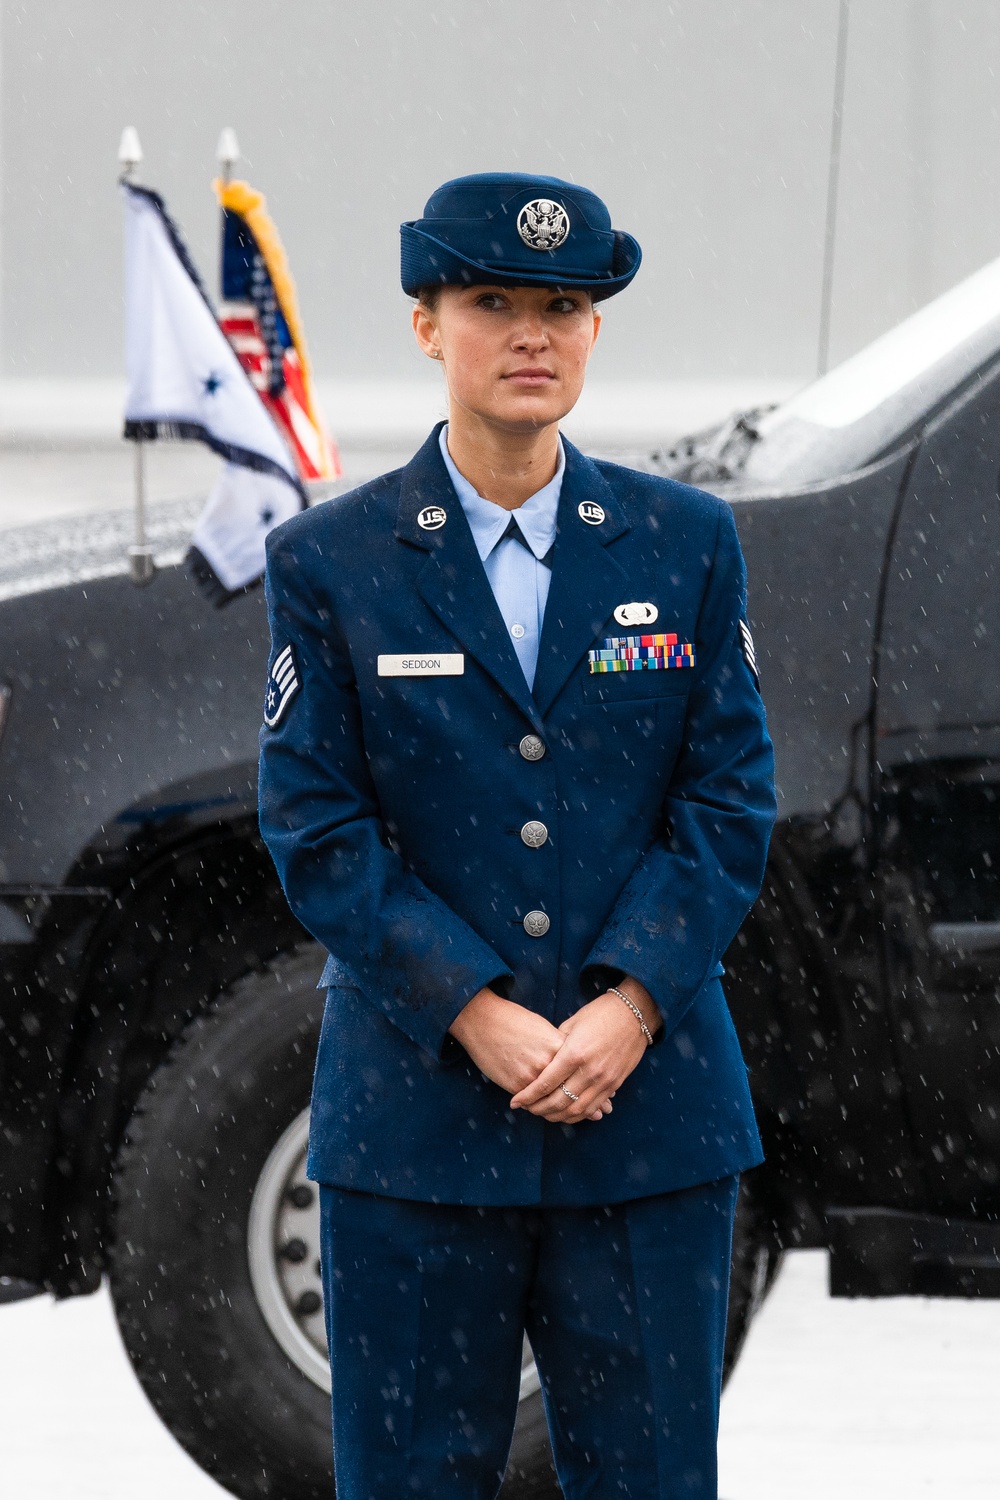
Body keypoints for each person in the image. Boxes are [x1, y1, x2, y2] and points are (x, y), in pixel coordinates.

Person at [258, 171, 776, 1500]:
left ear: (596, 330)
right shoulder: (336, 562)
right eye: (493, 302)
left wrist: (631, 1005)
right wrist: (475, 1009)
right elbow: (318, 825)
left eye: (565, 305)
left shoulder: (685, 546)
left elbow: (728, 801)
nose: (533, 334)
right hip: (420, 1123)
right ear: (427, 325)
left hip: (646, 1122)